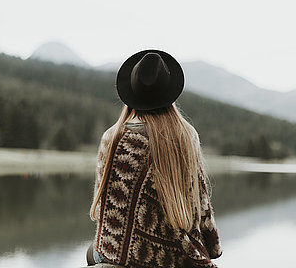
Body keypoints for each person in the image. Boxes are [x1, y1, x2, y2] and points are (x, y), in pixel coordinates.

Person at [87, 50, 222, 268]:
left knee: (90, 254)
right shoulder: (186, 137)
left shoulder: (112, 138)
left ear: (131, 93)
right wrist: (212, 247)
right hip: (175, 257)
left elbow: (105, 208)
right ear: (169, 95)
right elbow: (201, 205)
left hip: (119, 257)